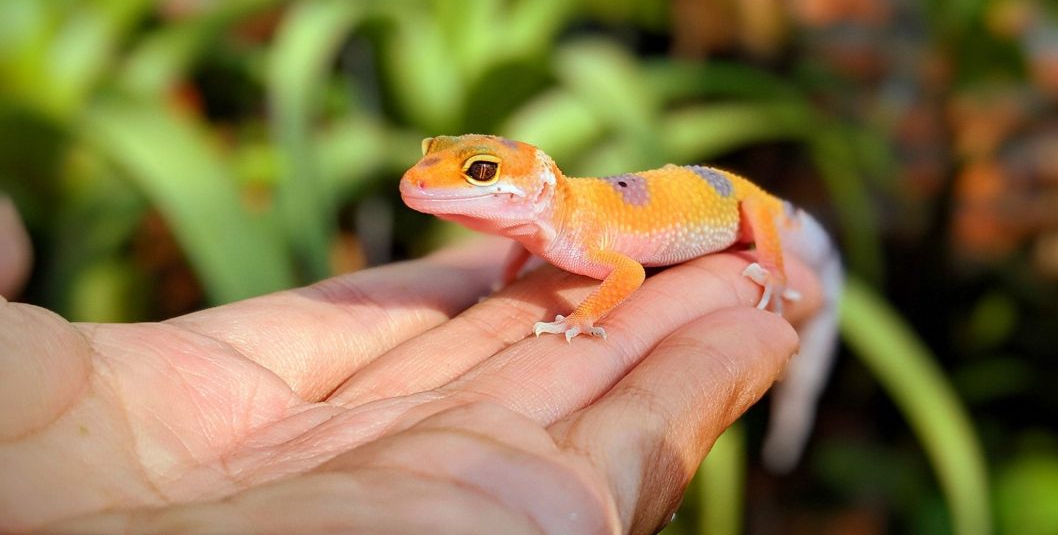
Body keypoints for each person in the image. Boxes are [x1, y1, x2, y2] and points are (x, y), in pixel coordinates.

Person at [0, 202, 819, 533]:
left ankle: (791, 279)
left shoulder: (581, 230)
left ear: (533, 180)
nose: (428, 183)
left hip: (738, 207)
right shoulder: (543, 228)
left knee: (771, 261)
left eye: (480, 176)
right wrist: (511, 274)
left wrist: (583, 324)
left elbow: (630, 276)